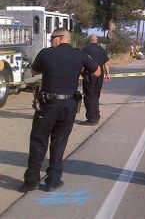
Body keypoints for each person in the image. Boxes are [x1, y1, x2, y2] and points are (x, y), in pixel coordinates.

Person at [19, 28, 101, 193]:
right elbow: (98, 71)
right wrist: (80, 71)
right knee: (59, 142)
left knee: (38, 141)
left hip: (48, 104)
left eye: (52, 38)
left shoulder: (46, 53)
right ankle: (53, 181)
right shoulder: (80, 54)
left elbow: (34, 71)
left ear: (61, 38)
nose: (51, 41)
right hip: (69, 105)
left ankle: (31, 181)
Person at [80, 34, 110, 125]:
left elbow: (81, 62)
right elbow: (106, 63)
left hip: (89, 76)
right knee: (96, 95)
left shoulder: (85, 49)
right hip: (100, 76)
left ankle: (91, 119)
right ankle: (96, 116)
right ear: (97, 40)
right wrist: (107, 74)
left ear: (89, 40)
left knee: (89, 97)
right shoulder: (102, 50)